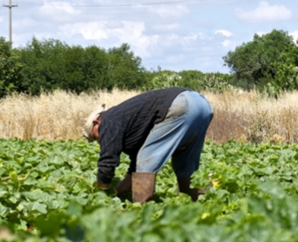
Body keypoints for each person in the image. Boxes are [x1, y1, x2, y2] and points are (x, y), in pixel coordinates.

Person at [83, 87, 213, 204]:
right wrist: (115, 193)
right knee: (186, 163)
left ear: (96, 122)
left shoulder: (108, 120)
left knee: (146, 161)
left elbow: (107, 163)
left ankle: (141, 211)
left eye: (95, 136)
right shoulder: (129, 125)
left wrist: (100, 195)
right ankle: (205, 202)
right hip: (202, 104)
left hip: (182, 104)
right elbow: (134, 170)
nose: (99, 140)